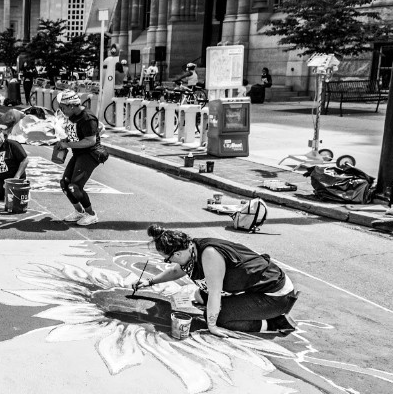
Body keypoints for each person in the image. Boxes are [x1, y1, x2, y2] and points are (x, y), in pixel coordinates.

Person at [133, 224, 298, 337]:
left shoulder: (210, 254)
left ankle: (276, 322)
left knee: (219, 317)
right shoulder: (191, 248)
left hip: (275, 296)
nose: (170, 263)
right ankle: (249, 311)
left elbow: (214, 294)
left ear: (177, 254)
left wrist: (212, 326)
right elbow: (178, 270)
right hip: (255, 289)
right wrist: (150, 282)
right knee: (200, 295)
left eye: (168, 260)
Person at [54, 89, 102, 226]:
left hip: (90, 154)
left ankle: (92, 214)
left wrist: (67, 144)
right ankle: (79, 212)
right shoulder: (73, 116)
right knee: (64, 183)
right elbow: (75, 134)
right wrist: (64, 141)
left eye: (63, 108)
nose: (62, 110)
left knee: (75, 186)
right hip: (78, 153)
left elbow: (90, 141)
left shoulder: (87, 118)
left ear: (72, 105)